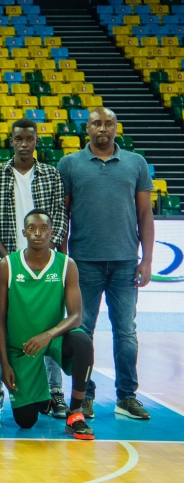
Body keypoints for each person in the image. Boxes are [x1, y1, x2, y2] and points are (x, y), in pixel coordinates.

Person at [58, 106, 154, 420]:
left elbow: (144, 215)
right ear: (87, 128)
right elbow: (63, 217)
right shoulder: (70, 164)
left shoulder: (135, 163)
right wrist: (62, 261)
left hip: (126, 262)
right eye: (97, 123)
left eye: (109, 123)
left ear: (116, 128)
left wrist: (147, 259)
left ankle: (127, 397)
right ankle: (83, 396)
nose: (103, 128)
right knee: (82, 333)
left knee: (126, 332)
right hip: (83, 263)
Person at [0, 118, 70, 417]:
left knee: (49, 326)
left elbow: (60, 217)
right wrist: (9, 259)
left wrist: (49, 252)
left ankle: (54, 392)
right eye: (18, 139)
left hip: (46, 266)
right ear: (11, 141)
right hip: (5, 263)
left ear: (36, 142)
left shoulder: (51, 175)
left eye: (28, 139)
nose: (23, 144)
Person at [0, 210, 95, 440]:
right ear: (24, 232)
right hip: (22, 347)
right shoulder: (7, 265)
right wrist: (4, 364)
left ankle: (76, 412)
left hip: (54, 339)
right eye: (31, 229)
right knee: (26, 421)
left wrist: (48, 335)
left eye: (43, 229)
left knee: (82, 341)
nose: (38, 233)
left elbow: (76, 316)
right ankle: (43, 398)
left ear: (52, 232)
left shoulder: (66, 265)